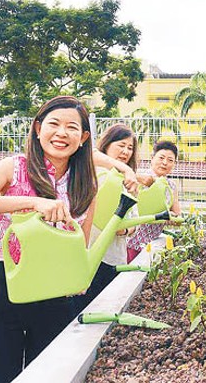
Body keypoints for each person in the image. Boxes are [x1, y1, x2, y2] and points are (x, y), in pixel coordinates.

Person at [0, 96, 97, 383]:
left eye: (72, 127)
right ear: (38, 129)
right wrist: (28, 203)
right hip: (3, 287)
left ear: (84, 137)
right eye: (53, 124)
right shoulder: (13, 167)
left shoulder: (87, 185)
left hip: (56, 294)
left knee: (50, 377)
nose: (62, 133)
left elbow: (82, 247)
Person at [73, 123, 151, 314]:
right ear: (107, 144)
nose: (125, 151)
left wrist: (124, 229)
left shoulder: (129, 183)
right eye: (121, 145)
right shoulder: (93, 172)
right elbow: (90, 153)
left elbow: (136, 219)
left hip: (113, 257)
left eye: (130, 148)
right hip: (88, 254)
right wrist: (126, 170)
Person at [126, 140, 181, 263]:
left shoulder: (171, 186)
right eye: (161, 158)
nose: (165, 163)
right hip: (131, 240)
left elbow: (177, 216)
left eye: (170, 160)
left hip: (152, 243)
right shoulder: (138, 177)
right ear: (152, 158)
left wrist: (170, 217)